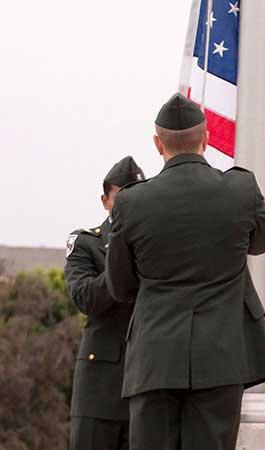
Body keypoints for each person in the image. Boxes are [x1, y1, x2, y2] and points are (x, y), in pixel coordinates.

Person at [106, 93, 265, 450]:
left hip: (154, 360)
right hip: (220, 357)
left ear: (158, 144)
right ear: (206, 138)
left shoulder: (131, 202)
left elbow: (119, 285)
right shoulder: (240, 188)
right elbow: (261, 242)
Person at [65, 156, 145, 450]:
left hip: (146, 384)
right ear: (105, 200)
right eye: (121, 197)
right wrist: (123, 255)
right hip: (100, 389)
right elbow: (86, 298)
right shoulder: (87, 243)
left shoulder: (157, 243)